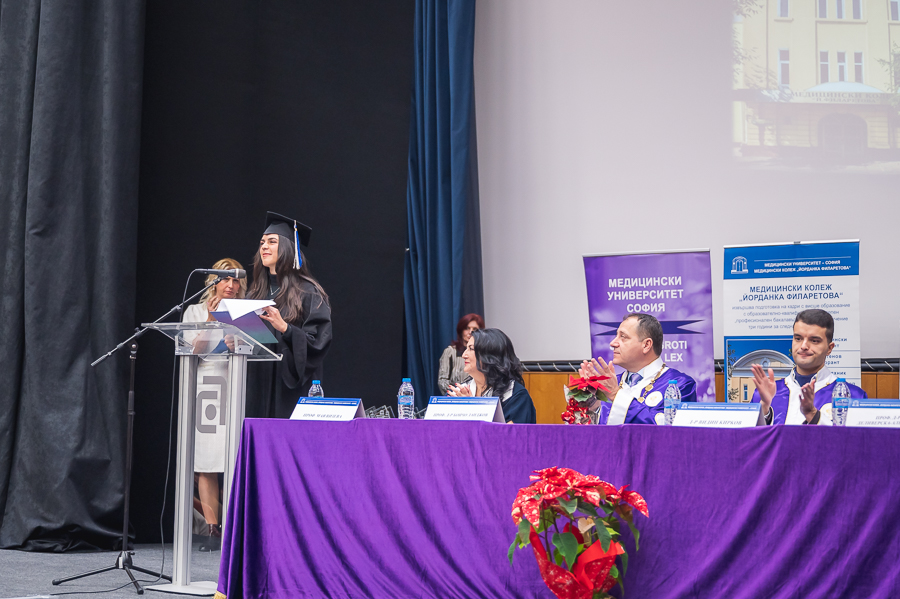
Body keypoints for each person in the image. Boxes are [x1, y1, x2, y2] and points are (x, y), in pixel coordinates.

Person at [181, 258, 246, 550]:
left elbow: (258, 347)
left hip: (234, 386)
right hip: (205, 388)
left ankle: (233, 526)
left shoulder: (244, 313)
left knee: (231, 459)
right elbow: (192, 350)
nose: (231, 285)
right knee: (206, 460)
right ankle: (212, 529)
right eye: (225, 279)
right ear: (213, 282)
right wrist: (210, 319)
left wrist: (238, 344)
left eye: (236, 280)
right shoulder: (194, 311)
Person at [246, 212, 332, 419]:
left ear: (287, 247)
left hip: (289, 391)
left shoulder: (308, 292)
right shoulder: (255, 294)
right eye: (262, 243)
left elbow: (318, 342)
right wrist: (235, 341)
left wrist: (285, 328)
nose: (264, 247)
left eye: (272, 241)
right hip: (257, 386)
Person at [751, 309, 866, 425]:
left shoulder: (854, 396)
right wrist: (764, 408)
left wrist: (812, 414)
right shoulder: (764, 394)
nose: (804, 346)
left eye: (814, 341)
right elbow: (749, 435)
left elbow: (853, 437)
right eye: (798, 339)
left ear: (829, 348)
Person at [579, 312, 697, 425]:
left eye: (623, 337)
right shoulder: (610, 384)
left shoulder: (681, 384)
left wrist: (615, 394)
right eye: (616, 336)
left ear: (646, 345)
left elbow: (667, 432)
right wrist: (591, 403)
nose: (612, 343)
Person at [446, 328, 536, 424]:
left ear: (491, 355)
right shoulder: (458, 392)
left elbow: (510, 433)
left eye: (471, 349)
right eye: (466, 348)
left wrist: (472, 410)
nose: (464, 355)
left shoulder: (515, 396)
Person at [438, 313, 485, 394]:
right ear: (461, 330)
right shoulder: (450, 352)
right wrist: (457, 393)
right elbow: (442, 381)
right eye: (467, 328)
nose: (471, 332)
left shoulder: (484, 352)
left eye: (475, 329)